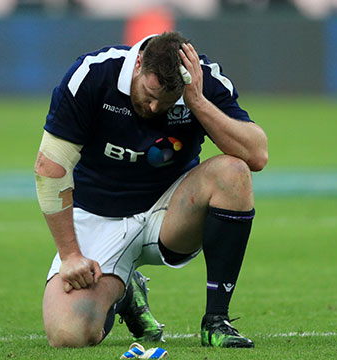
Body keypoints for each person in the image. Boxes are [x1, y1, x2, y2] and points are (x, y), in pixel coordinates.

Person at [35, 31, 268, 348]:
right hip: (96, 216)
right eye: (150, 92)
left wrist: (197, 101)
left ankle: (217, 321)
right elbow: (50, 169)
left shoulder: (202, 78)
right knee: (68, 335)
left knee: (233, 172)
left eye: (168, 101)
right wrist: (70, 255)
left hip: (169, 213)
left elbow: (257, 154)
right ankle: (126, 292)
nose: (156, 106)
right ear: (139, 62)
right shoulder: (92, 74)